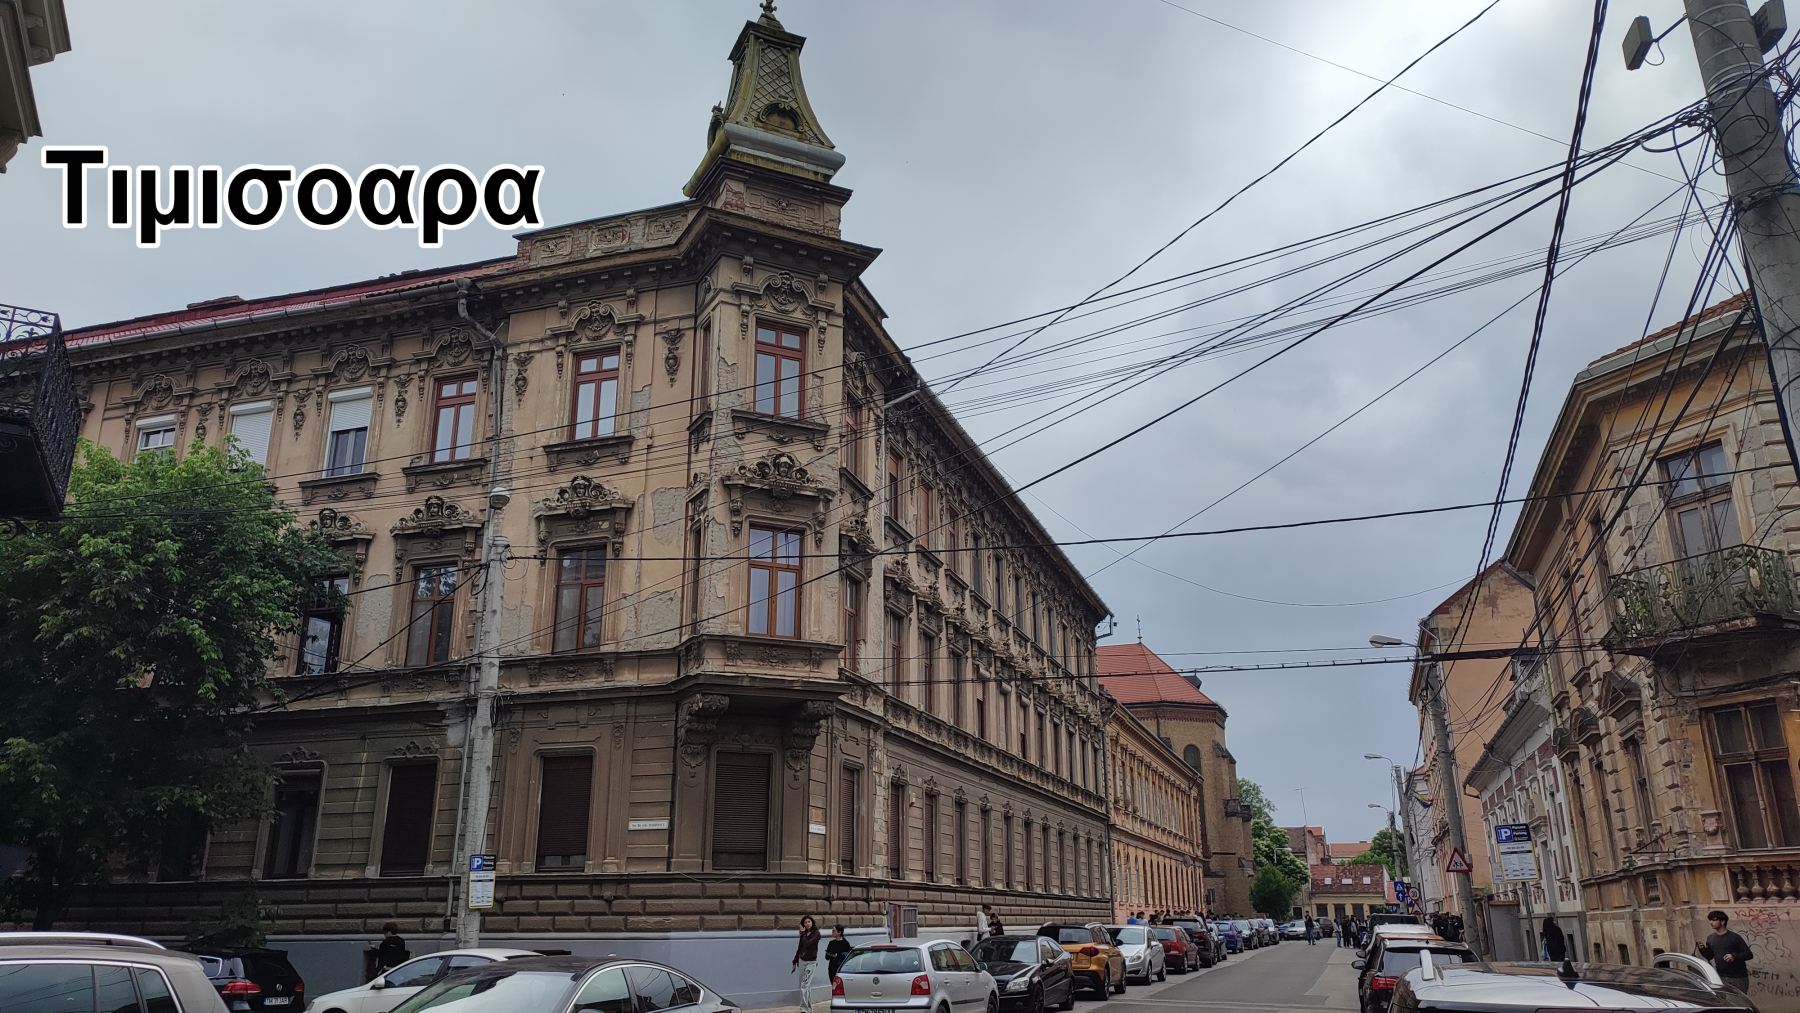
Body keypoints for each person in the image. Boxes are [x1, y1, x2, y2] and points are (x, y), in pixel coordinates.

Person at [1698, 910, 1753, 989]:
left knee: (1738, 997)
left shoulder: (1734, 937)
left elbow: (1748, 954)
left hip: (1738, 978)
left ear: (1722, 922)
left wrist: (1734, 956)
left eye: (1714, 920)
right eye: (1710, 920)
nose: (1711, 922)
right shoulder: (1710, 938)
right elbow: (1710, 956)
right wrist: (1702, 949)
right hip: (1721, 977)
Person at [793, 915, 822, 1000]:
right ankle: (808, 1006)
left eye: (809, 922)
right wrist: (795, 961)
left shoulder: (816, 933)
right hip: (802, 960)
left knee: (804, 984)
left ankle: (804, 1007)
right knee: (804, 985)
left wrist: (802, 933)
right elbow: (800, 948)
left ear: (812, 922)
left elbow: (808, 943)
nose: (807, 924)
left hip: (811, 961)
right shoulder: (804, 934)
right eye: (805, 922)